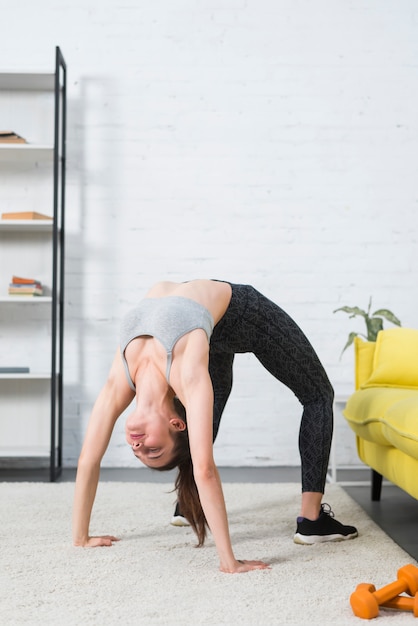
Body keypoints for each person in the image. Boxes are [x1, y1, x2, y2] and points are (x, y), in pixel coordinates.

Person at [72, 279, 358, 574]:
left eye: (139, 451)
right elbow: (204, 469)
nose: (137, 445)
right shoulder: (187, 376)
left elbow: (88, 458)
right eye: (152, 450)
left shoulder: (121, 380)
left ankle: (192, 505)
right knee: (318, 396)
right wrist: (229, 561)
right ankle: (311, 522)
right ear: (175, 423)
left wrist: (81, 537)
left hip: (219, 318)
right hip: (225, 317)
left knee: (305, 395)